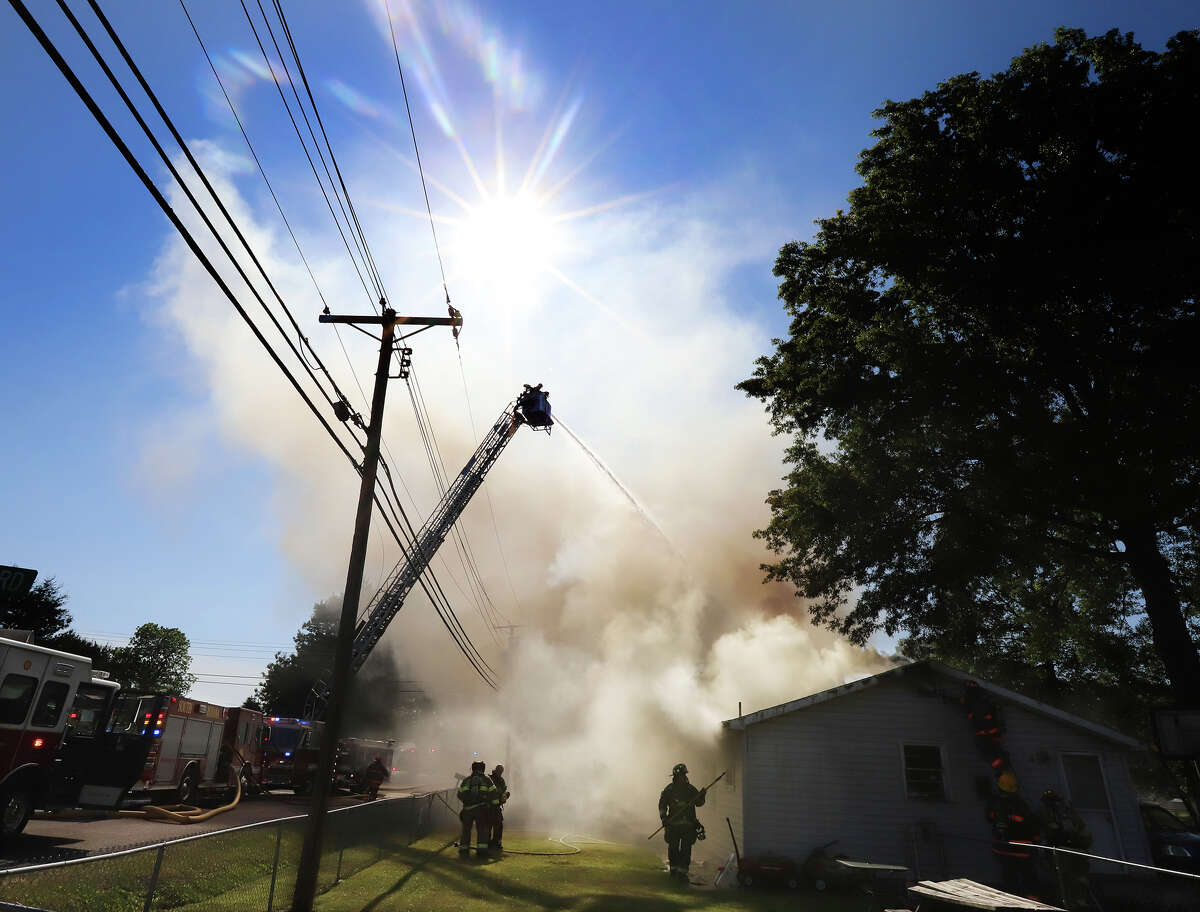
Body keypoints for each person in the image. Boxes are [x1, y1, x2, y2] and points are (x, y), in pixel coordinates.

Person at [1039, 789, 1092, 909]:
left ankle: (1069, 904)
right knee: (1076, 879)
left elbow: (1051, 832)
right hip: (1076, 851)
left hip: (1062, 852)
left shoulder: (1049, 813)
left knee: (1065, 880)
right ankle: (1079, 903)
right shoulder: (1068, 813)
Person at [658, 763, 707, 882]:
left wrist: (702, 796)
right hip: (673, 827)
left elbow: (699, 803)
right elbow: (662, 805)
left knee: (686, 850)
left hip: (688, 827)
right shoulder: (669, 790)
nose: (683, 777)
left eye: (684, 775)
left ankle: (683, 873)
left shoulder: (691, 789)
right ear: (675, 776)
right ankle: (674, 870)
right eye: (681, 775)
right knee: (673, 849)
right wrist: (664, 818)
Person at [457, 760, 499, 857]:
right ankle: (481, 852)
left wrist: (467, 802)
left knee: (466, 831)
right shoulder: (487, 780)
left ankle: (463, 851)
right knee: (482, 830)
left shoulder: (466, 780)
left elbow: (459, 794)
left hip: (467, 810)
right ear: (483, 769)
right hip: (481, 810)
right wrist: (494, 807)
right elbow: (494, 794)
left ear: (473, 768)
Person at [489, 764, 510, 852]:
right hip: (489, 807)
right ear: (496, 770)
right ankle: (489, 843)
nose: (500, 773)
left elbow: (503, 793)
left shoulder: (501, 780)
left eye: (501, 771)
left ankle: (496, 843)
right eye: (499, 771)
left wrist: (505, 795)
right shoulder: (489, 779)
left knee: (498, 825)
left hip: (496, 807)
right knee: (489, 825)